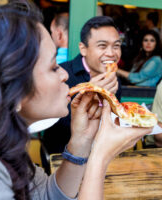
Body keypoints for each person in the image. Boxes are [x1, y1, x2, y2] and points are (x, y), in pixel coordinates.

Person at [0, 2, 153, 199]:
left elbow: (45, 196)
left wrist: (81, 143)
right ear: (12, 91)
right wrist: (100, 157)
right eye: (54, 66)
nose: (64, 74)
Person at [42, 16, 122, 156]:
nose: (111, 53)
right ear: (83, 49)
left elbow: (112, 122)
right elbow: (50, 123)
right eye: (102, 46)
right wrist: (88, 95)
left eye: (116, 46)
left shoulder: (114, 80)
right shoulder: (61, 75)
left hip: (99, 156)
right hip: (61, 157)